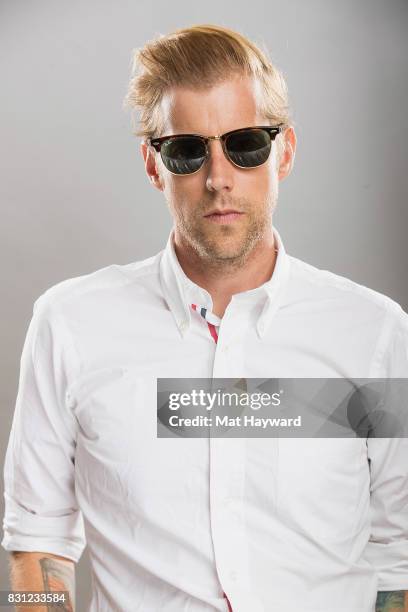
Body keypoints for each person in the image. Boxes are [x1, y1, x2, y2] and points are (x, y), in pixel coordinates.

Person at [2, 23, 408, 612]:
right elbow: (35, 546)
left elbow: (402, 557)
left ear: (284, 151)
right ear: (153, 164)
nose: (218, 178)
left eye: (245, 144)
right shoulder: (68, 325)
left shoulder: (374, 336)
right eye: (188, 150)